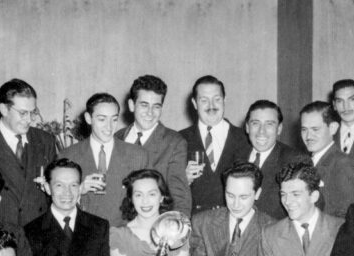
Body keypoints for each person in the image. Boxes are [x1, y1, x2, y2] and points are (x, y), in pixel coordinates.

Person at [0, 78, 59, 229]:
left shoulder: (45, 141)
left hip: (39, 233)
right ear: (4, 109)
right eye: (23, 113)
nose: (29, 120)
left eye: (33, 113)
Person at [23, 158, 113, 256]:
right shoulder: (30, 231)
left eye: (73, 185)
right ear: (47, 188)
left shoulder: (98, 226)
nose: (67, 193)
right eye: (59, 185)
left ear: (80, 187)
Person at [62, 92, 151, 224]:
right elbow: (58, 205)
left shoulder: (138, 155)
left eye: (114, 119)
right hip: (84, 235)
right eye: (102, 119)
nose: (109, 127)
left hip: (124, 235)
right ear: (88, 118)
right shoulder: (68, 155)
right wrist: (79, 190)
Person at [115, 74, 191, 214]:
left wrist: (177, 228)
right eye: (144, 105)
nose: (150, 112)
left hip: (155, 227)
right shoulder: (116, 138)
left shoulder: (174, 143)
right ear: (132, 105)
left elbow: (180, 197)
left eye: (156, 106)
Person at [109, 169, 186, 256]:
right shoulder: (119, 234)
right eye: (138, 195)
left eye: (152, 194)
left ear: (162, 197)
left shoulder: (178, 231)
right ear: (131, 199)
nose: (145, 201)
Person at [179, 75, 250, 213]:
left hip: (232, 221)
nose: (211, 106)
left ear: (224, 100)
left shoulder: (244, 139)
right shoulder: (179, 139)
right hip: (194, 223)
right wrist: (183, 179)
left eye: (216, 99)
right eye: (204, 100)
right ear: (194, 103)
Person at [242, 99, 308, 219]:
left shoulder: (295, 160)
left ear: (279, 129)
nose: (261, 131)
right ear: (247, 127)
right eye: (255, 123)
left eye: (269, 124)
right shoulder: (235, 156)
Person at [299, 101, 354, 218]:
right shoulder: (304, 162)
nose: (308, 136)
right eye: (304, 129)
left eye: (315, 129)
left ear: (333, 128)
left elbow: (351, 215)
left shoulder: (343, 164)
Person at [331, 79, 354, 157]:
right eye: (340, 101)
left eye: (352, 99)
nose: (346, 106)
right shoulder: (328, 134)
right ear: (334, 105)